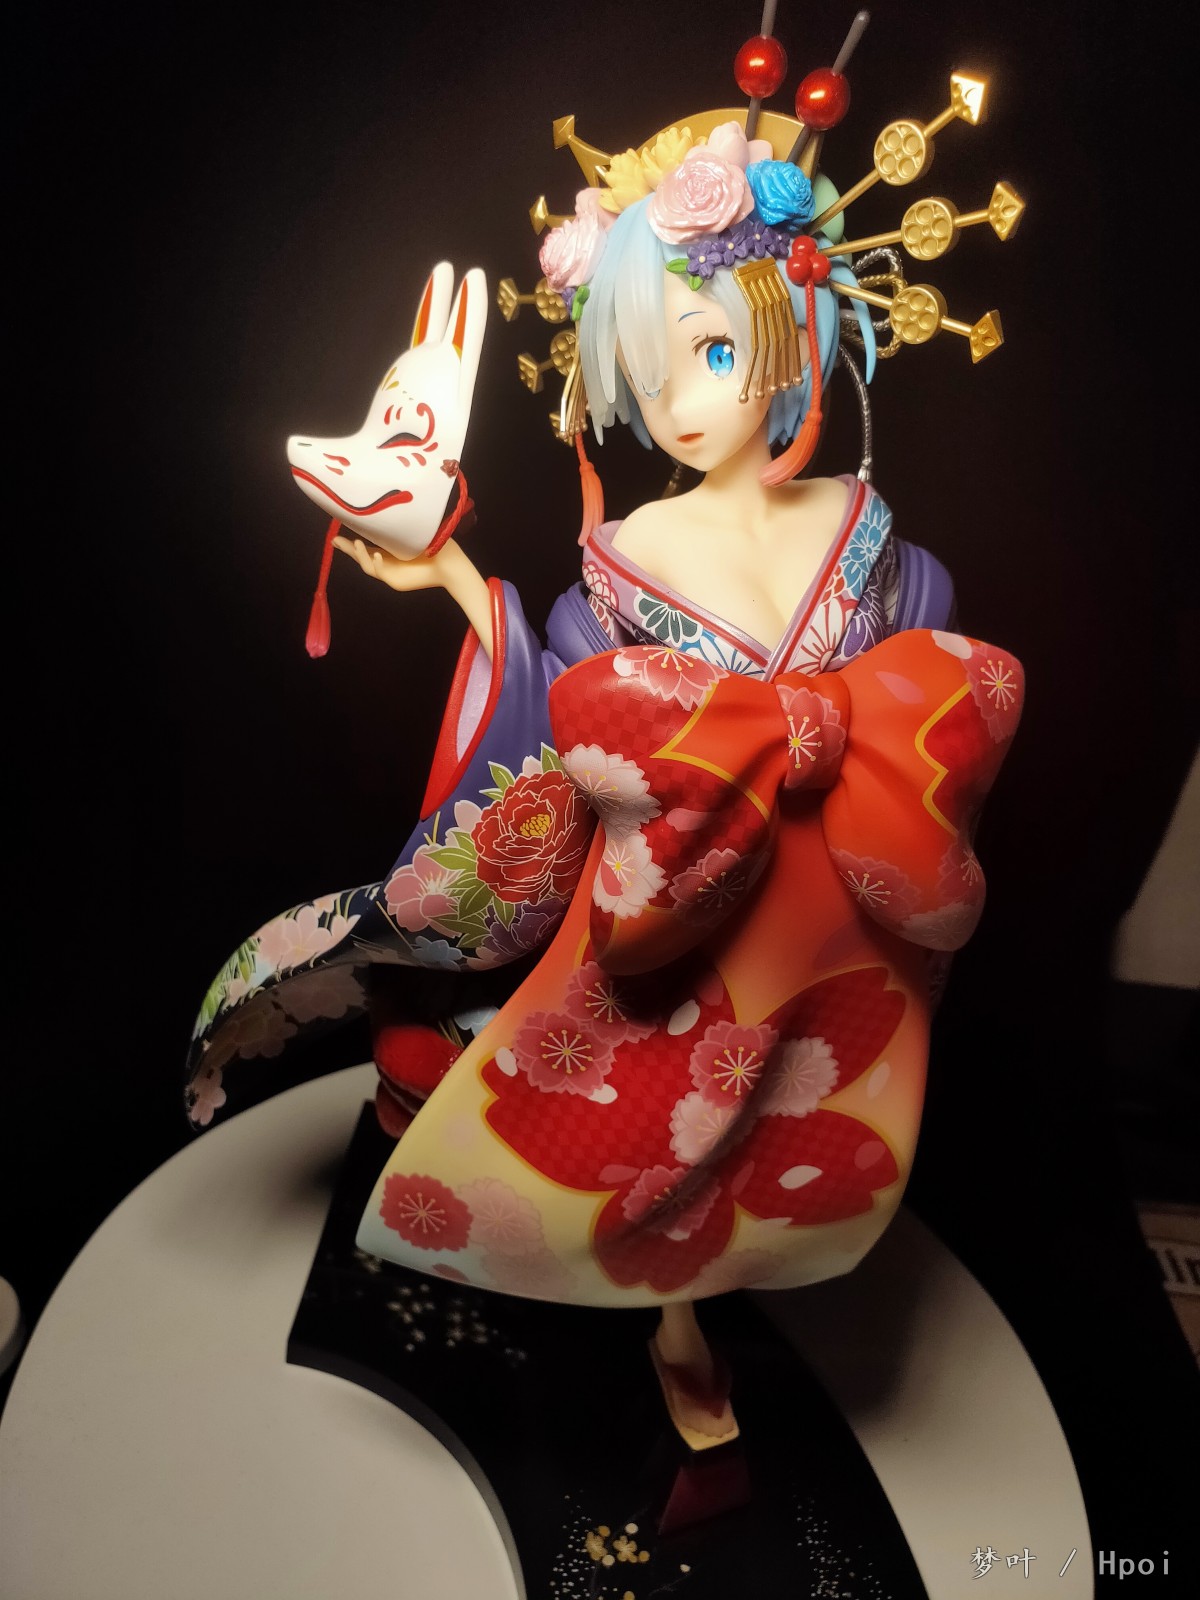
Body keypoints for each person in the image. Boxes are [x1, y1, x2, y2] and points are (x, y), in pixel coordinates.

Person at [185, 108, 1021, 1448]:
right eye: (649, 365)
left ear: (799, 323)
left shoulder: (880, 544)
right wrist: (463, 588)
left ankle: (719, 1297)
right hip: (685, 913)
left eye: (712, 350)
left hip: (841, 918)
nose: (679, 403)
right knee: (648, 1131)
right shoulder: (625, 566)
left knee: (802, 1125)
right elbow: (569, 732)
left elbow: (928, 711)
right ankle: (672, 1325)